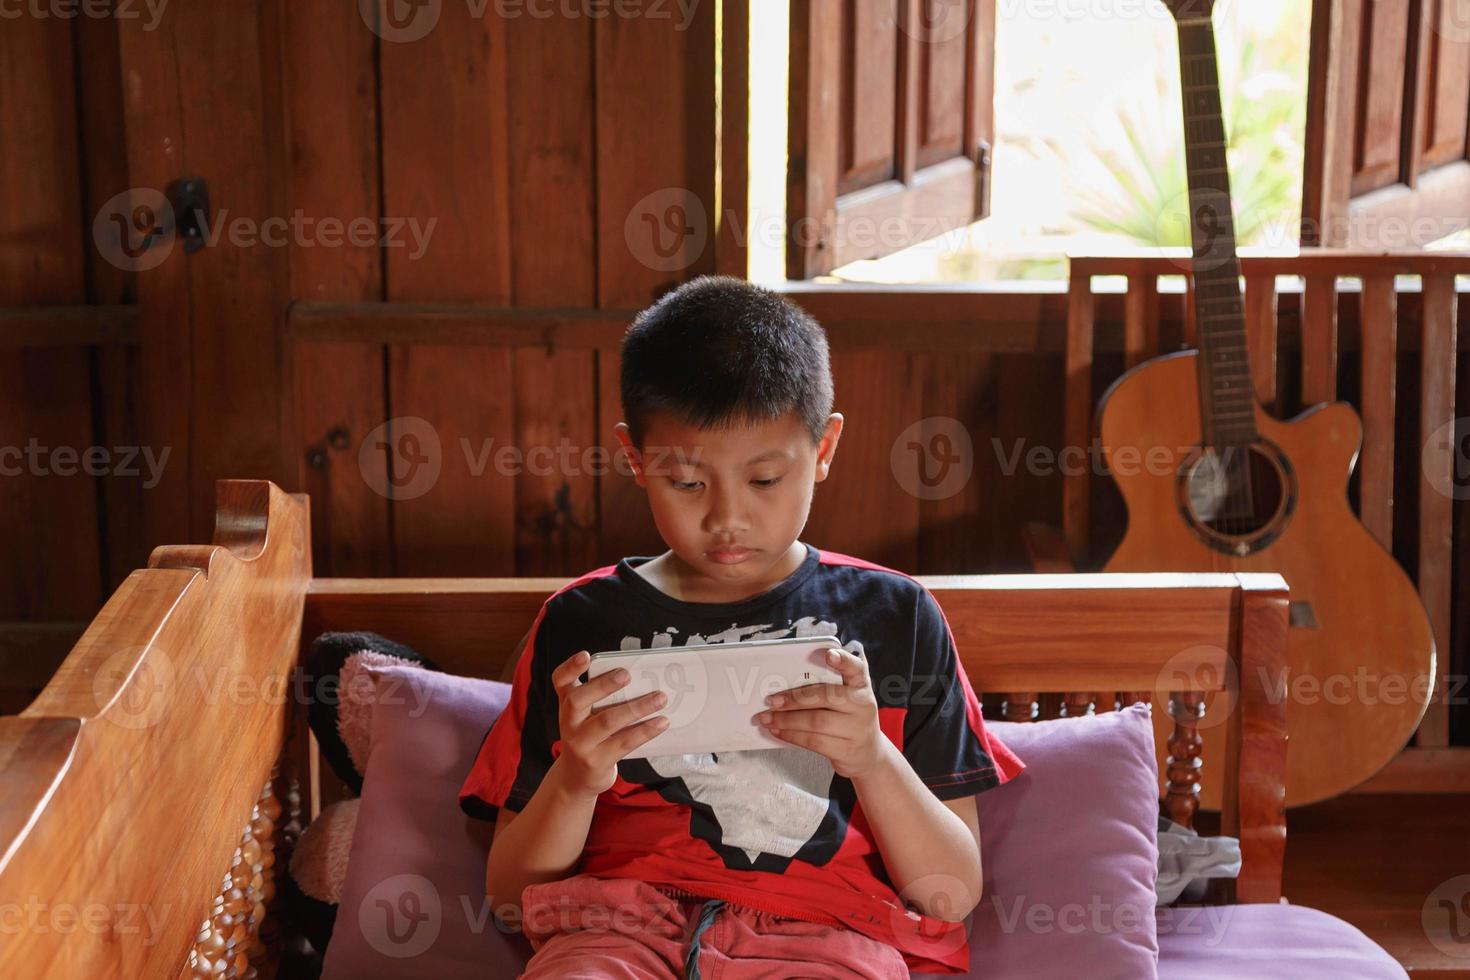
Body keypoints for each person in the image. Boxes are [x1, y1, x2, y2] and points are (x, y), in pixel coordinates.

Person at [458, 275, 1025, 978]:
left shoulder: (897, 617)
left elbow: (949, 893)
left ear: (823, 449)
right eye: (688, 483)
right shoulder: (579, 622)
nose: (728, 518)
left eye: (764, 481)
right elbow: (510, 899)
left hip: (826, 938)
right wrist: (578, 777)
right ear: (634, 458)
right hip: (618, 934)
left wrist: (871, 757)